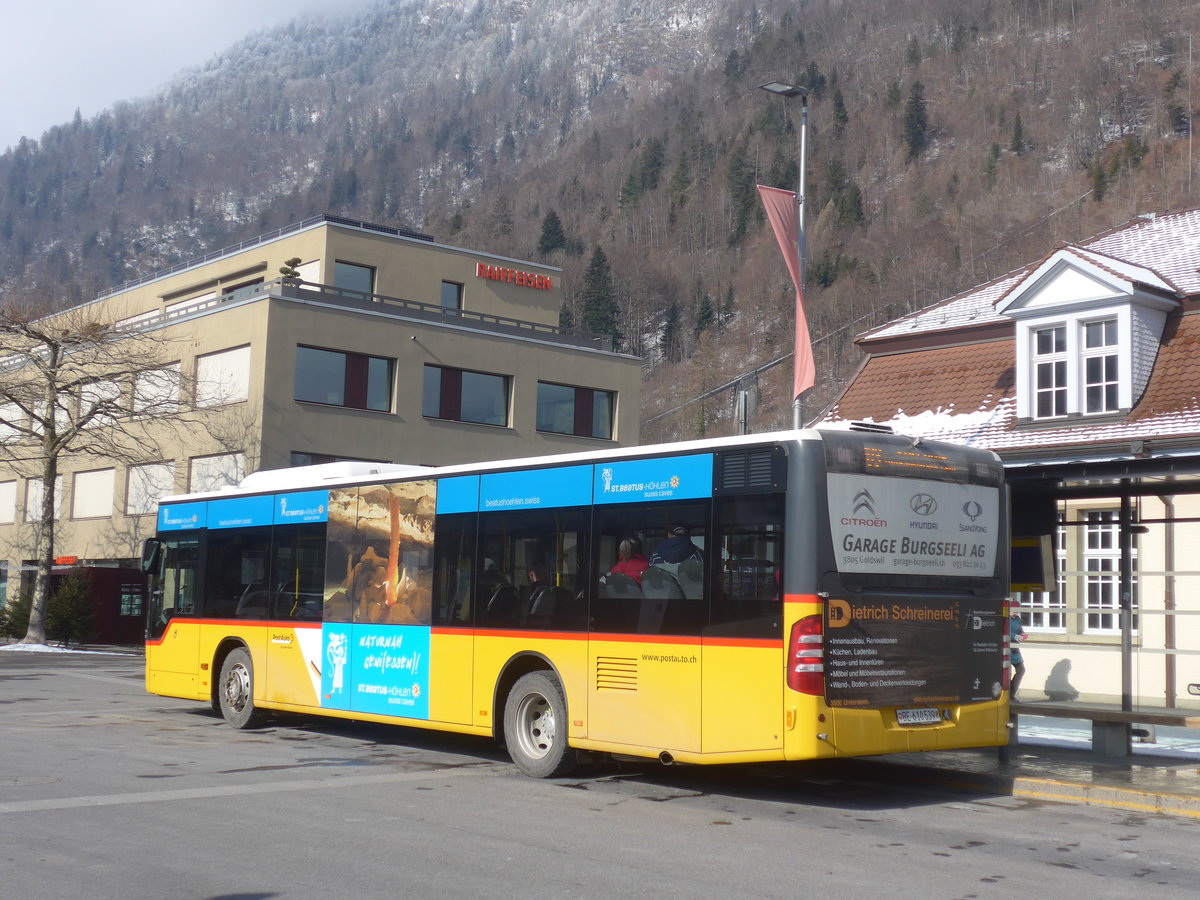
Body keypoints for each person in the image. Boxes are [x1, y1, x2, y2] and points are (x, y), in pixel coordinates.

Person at [1009, 609, 1027, 701]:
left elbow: (1020, 630)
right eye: (1013, 610)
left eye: (1017, 610)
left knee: (1021, 670)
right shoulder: (1004, 618)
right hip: (1006, 648)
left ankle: (1011, 694)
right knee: (1007, 672)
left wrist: (1023, 634)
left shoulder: (1017, 619)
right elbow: (1003, 631)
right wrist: (1015, 636)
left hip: (1015, 649)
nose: (1015, 612)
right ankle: (1007, 696)